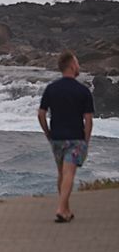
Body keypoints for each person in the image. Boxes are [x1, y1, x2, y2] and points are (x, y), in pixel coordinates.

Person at [37, 50, 94, 223]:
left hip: (56, 138)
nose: (79, 66)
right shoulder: (83, 91)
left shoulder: (51, 88)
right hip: (75, 138)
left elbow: (41, 114)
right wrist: (86, 140)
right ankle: (61, 209)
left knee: (61, 174)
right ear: (72, 66)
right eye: (77, 63)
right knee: (69, 173)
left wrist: (48, 133)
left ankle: (66, 210)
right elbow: (88, 119)